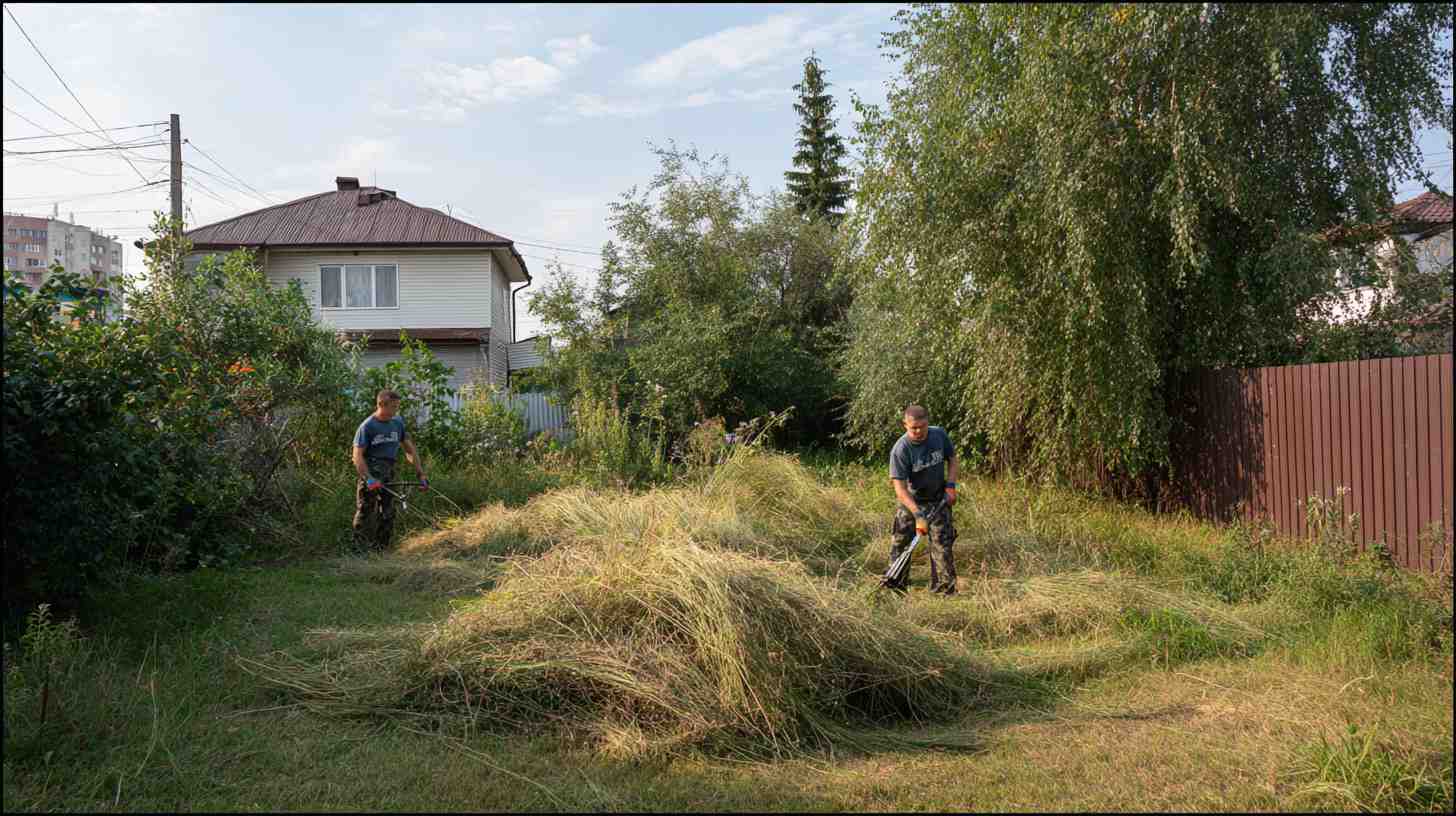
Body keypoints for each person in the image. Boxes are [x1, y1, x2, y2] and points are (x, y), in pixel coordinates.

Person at [887, 404, 959, 594]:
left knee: (942, 547)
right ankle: (896, 588)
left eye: (922, 426)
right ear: (905, 425)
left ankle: (945, 591)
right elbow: (900, 490)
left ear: (928, 423)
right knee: (901, 545)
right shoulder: (900, 450)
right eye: (914, 428)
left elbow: (952, 458)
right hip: (911, 501)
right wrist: (918, 515)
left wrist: (951, 486)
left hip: (938, 499)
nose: (919, 431)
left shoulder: (939, 435)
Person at [351, 389, 427, 552]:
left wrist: (420, 474)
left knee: (388, 512)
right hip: (370, 472)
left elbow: (409, 450)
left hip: (389, 471)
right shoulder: (367, 426)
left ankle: (381, 550)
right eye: (393, 407)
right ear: (381, 405)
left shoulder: (397, 423)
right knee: (365, 511)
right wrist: (369, 478)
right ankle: (358, 551)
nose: (396, 410)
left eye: (397, 406)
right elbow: (357, 457)